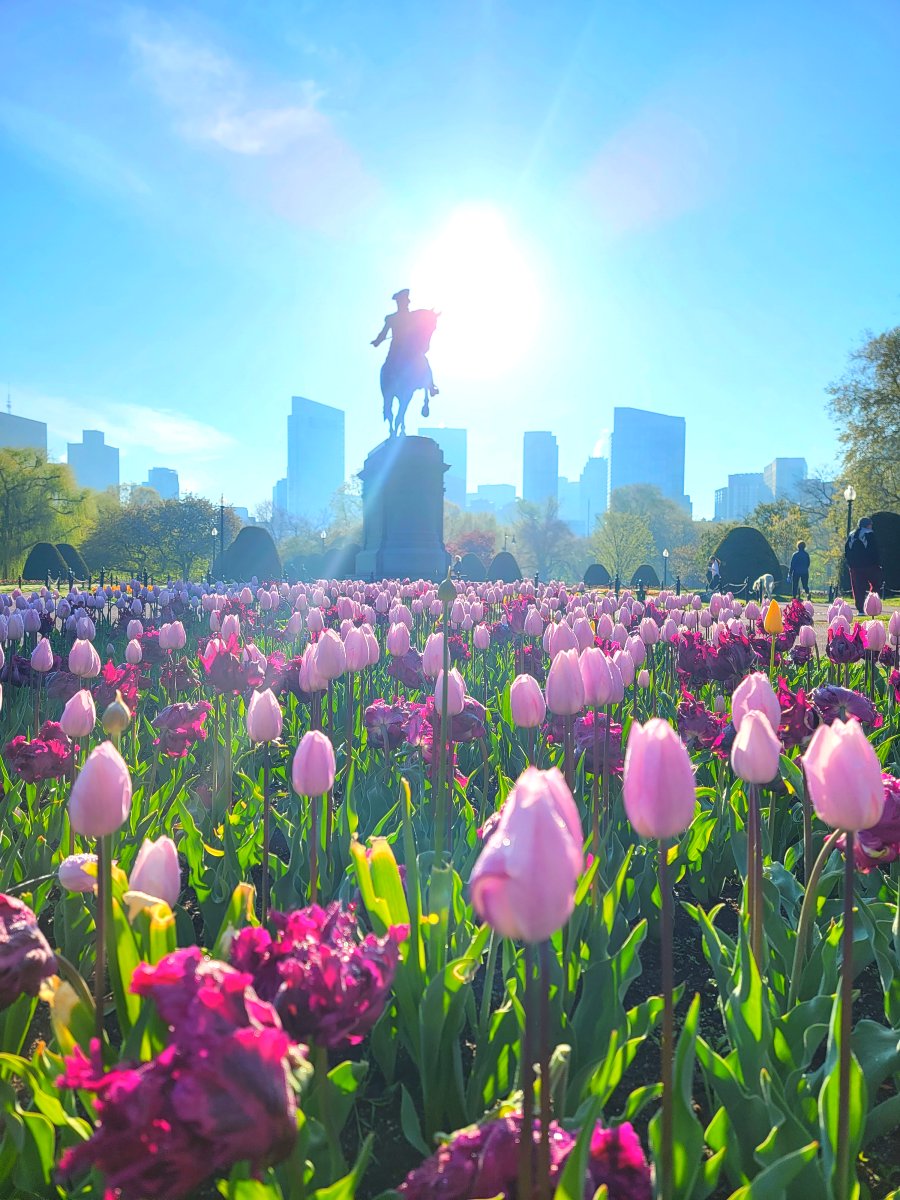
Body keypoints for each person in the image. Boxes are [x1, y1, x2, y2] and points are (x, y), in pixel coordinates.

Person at [371, 289, 439, 398]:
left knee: (423, 361)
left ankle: (431, 386)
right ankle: (430, 386)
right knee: (422, 361)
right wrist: (377, 341)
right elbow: (383, 334)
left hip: (408, 350)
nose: (407, 304)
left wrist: (431, 315)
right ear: (399, 303)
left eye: (407, 302)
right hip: (397, 351)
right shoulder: (392, 319)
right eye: (404, 302)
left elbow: (424, 316)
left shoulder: (411, 316)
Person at [844, 517, 882, 614]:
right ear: (868, 525)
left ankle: (860, 609)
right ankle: (872, 605)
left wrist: (850, 564)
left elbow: (847, 551)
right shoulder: (869, 534)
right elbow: (874, 550)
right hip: (870, 566)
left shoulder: (852, 535)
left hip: (855, 567)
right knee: (876, 584)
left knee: (858, 588)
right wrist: (878, 563)